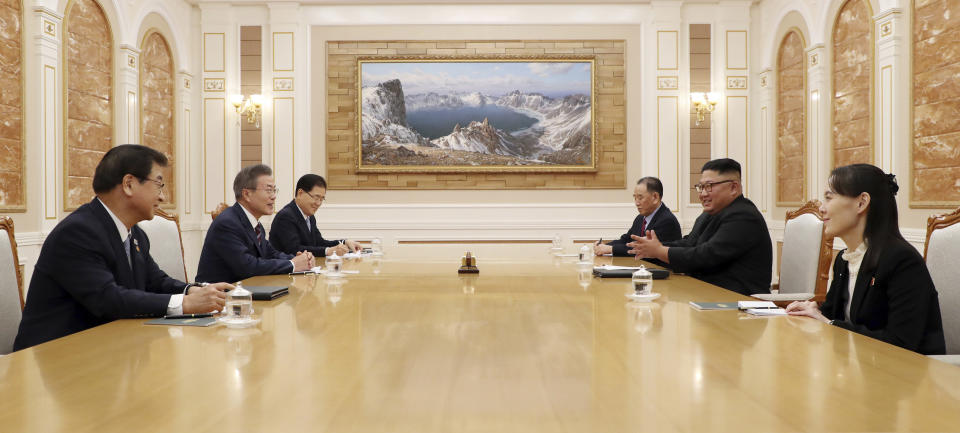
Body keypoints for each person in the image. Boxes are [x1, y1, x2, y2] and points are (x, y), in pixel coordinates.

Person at [14, 145, 232, 350]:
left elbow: (155, 281)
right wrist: (185, 303)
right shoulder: (77, 232)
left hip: (108, 347)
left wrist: (194, 291)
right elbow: (108, 299)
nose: (163, 196)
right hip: (55, 356)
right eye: (158, 184)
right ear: (128, 184)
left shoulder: (135, 234)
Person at [785, 164, 944, 355]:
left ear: (861, 203)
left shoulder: (902, 260)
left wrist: (828, 322)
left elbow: (901, 344)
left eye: (829, 198)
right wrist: (812, 310)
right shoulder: (844, 260)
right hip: (862, 369)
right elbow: (830, 315)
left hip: (907, 376)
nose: (821, 208)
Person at [626, 158, 772, 295]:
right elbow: (689, 243)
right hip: (708, 295)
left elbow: (705, 255)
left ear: (733, 187)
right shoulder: (709, 214)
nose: (702, 194)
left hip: (740, 302)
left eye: (709, 187)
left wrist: (659, 251)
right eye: (700, 187)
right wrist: (650, 248)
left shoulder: (744, 216)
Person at [196, 164, 315, 283]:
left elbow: (270, 253)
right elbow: (247, 266)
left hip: (248, 290)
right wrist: (292, 264)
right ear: (247, 194)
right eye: (268, 190)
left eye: (274, 190)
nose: (274, 197)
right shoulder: (227, 223)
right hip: (220, 296)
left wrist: (300, 259)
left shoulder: (256, 225)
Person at [270, 174, 361, 257]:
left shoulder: (309, 216)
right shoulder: (286, 216)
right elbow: (294, 249)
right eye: (316, 198)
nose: (318, 203)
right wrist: (328, 251)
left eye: (322, 199)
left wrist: (344, 242)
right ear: (300, 193)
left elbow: (319, 243)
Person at [594, 176, 681, 257]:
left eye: (640, 198)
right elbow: (626, 240)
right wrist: (604, 245)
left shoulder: (666, 220)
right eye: (635, 198)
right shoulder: (640, 218)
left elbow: (643, 249)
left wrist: (610, 249)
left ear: (655, 197)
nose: (636, 203)